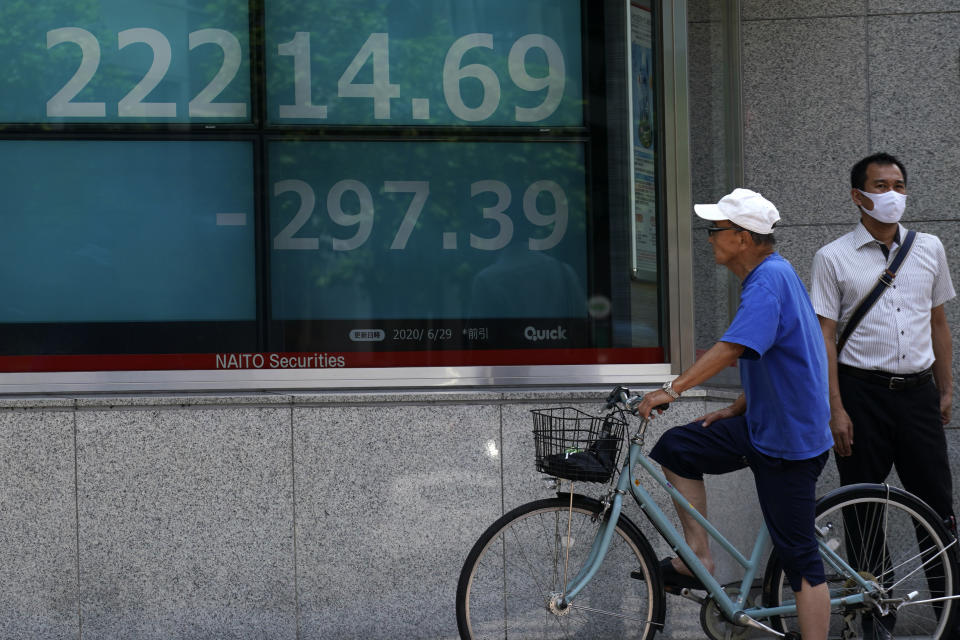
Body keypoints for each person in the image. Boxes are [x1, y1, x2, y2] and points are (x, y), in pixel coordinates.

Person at [636, 188, 833, 639]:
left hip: (789, 442)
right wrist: (743, 403)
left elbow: (733, 348)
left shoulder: (768, 279)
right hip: (763, 425)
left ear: (742, 238)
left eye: (715, 230)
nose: (709, 238)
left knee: (800, 558)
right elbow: (791, 350)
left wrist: (674, 389)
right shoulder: (769, 276)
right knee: (677, 447)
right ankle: (697, 559)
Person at [810, 152, 956, 639]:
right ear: (858, 195)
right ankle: (876, 619)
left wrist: (946, 387)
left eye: (898, 184)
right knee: (864, 511)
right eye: (880, 185)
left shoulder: (930, 248)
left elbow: (937, 322)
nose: (892, 194)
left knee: (937, 508)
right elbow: (824, 338)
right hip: (860, 395)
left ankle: (950, 615)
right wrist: (836, 408)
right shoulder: (833, 257)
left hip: (917, 395)